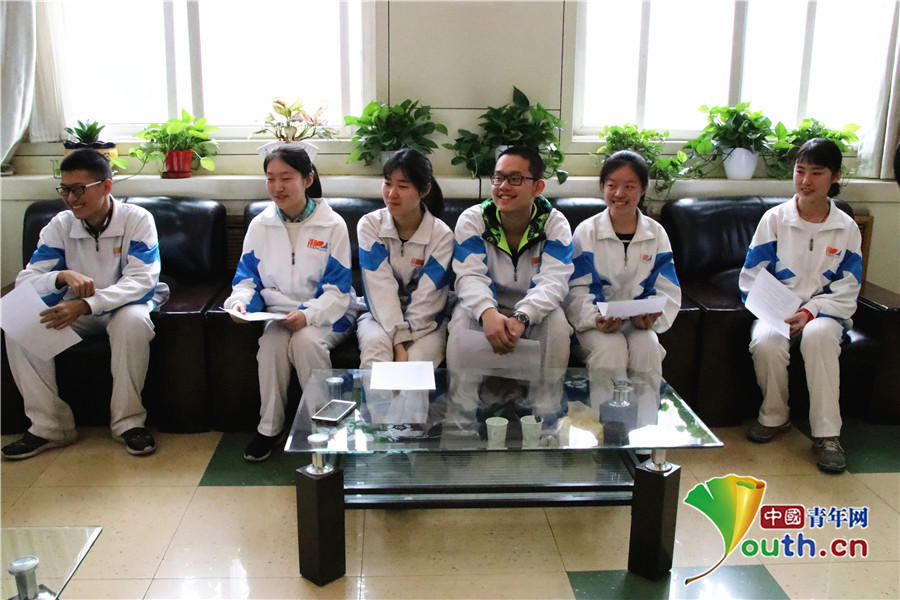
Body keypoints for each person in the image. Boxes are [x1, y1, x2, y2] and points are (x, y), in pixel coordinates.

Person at [2, 148, 168, 460]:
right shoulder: (60, 225)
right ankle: (50, 427)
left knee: (133, 322)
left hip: (123, 305)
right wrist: (60, 277)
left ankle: (128, 423)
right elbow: (28, 280)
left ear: (106, 186)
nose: (71, 198)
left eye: (79, 189)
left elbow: (142, 280)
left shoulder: (136, 219)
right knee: (18, 320)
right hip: (73, 307)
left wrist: (89, 304)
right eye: (65, 189)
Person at [224, 146, 356, 462]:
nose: (277, 187)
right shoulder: (260, 225)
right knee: (271, 345)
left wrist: (307, 315)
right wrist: (240, 304)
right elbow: (247, 279)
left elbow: (338, 290)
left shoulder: (332, 225)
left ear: (308, 179)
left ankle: (326, 428)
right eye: (271, 179)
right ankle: (269, 428)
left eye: (286, 178)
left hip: (329, 313)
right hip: (278, 315)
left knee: (305, 342)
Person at [740, 138, 862, 473]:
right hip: (777, 310)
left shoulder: (846, 228)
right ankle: (774, 416)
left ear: (835, 176)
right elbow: (751, 276)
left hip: (825, 313)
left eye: (816, 173)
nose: (805, 180)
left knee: (818, 336)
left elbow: (848, 287)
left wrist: (811, 311)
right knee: (765, 341)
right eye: (800, 171)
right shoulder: (775, 219)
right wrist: (780, 310)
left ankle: (827, 435)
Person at [446, 145, 574, 382]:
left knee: (556, 323)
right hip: (485, 308)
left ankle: (546, 403)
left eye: (515, 179)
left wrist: (523, 316)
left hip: (535, 311)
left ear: (538, 187)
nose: (503, 186)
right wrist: (487, 313)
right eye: (498, 178)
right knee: (461, 320)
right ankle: (462, 403)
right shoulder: (474, 220)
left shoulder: (554, 224)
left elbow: (554, 281)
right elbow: (469, 276)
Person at [564, 150, 681, 403]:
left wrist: (651, 318)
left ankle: (646, 424)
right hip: (594, 324)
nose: (619, 193)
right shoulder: (587, 232)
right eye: (612, 185)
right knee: (611, 348)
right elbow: (576, 289)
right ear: (602, 187)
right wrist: (595, 318)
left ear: (643, 188)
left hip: (637, 323)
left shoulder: (656, 233)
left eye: (629, 186)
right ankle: (606, 422)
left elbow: (667, 288)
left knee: (648, 346)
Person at [356, 148, 454, 368]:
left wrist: (405, 341)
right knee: (375, 351)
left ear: (424, 190)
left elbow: (428, 299)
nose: (392, 193)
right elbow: (380, 288)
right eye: (387, 183)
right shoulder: (370, 225)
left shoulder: (441, 236)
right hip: (379, 316)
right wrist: (399, 340)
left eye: (403, 186)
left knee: (414, 364)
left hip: (426, 323)